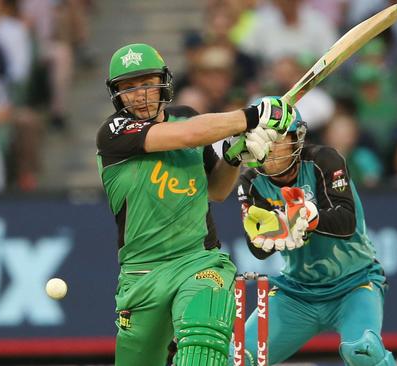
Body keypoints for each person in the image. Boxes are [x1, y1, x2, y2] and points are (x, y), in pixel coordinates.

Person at [95, 43, 297, 366]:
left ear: (164, 82)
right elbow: (187, 136)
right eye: (128, 87)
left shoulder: (187, 117)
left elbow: (216, 190)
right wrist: (252, 116)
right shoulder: (113, 132)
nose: (139, 94)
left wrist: (233, 157)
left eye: (147, 82)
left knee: (202, 346)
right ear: (116, 94)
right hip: (142, 274)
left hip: (198, 261)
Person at [235, 113, 395, 365]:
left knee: (364, 352)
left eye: (278, 139)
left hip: (354, 284)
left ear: (294, 139)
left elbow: (346, 222)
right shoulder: (251, 181)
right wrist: (269, 235)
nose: (271, 148)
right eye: (264, 140)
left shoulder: (324, 160)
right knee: (238, 358)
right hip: (297, 292)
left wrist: (311, 216)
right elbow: (259, 250)